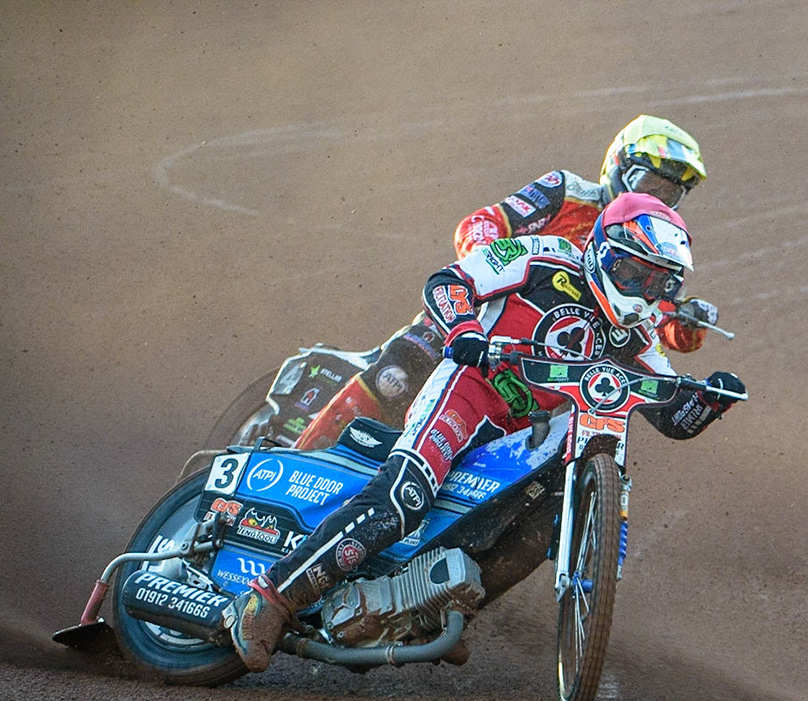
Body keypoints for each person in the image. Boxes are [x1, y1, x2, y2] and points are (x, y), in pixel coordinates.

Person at [226, 193, 744, 670]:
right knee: (404, 499)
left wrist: (709, 402)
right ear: (605, 254)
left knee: (544, 524)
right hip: (469, 395)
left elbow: (671, 415)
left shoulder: (639, 332)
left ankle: (432, 608)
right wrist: (466, 330)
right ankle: (269, 599)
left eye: (657, 282)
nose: (642, 291)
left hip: (526, 439)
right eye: (633, 273)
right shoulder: (544, 256)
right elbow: (447, 283)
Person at [293, 114, 717, 448]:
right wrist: (491, 268)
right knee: (398, 374)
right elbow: (481, 223)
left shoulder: (654, 251)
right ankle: (295, 457)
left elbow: (647, 324)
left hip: (551, 362)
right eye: (650, 183)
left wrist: (687, 325)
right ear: (620, 166)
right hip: (486, 313)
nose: (658, 199)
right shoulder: (566, 191)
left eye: (670, 194)